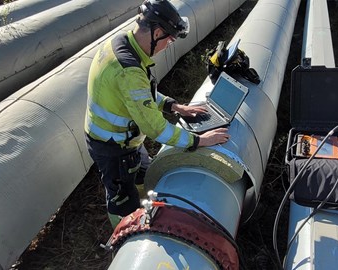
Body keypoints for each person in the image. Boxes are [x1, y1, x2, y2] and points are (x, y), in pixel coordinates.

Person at [84, 0, 230, 227]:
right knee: (122, 200)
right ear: (158, 33)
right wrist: (200, 140)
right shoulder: (129, 70)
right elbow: (155, 128)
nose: (168, 45)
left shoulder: (121, 43)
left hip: (126, 141)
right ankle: (123, 237)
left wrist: (174, 106)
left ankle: (144, 203)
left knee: (143, 173)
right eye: (170, 40)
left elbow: (140, 95)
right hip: (112, 147)